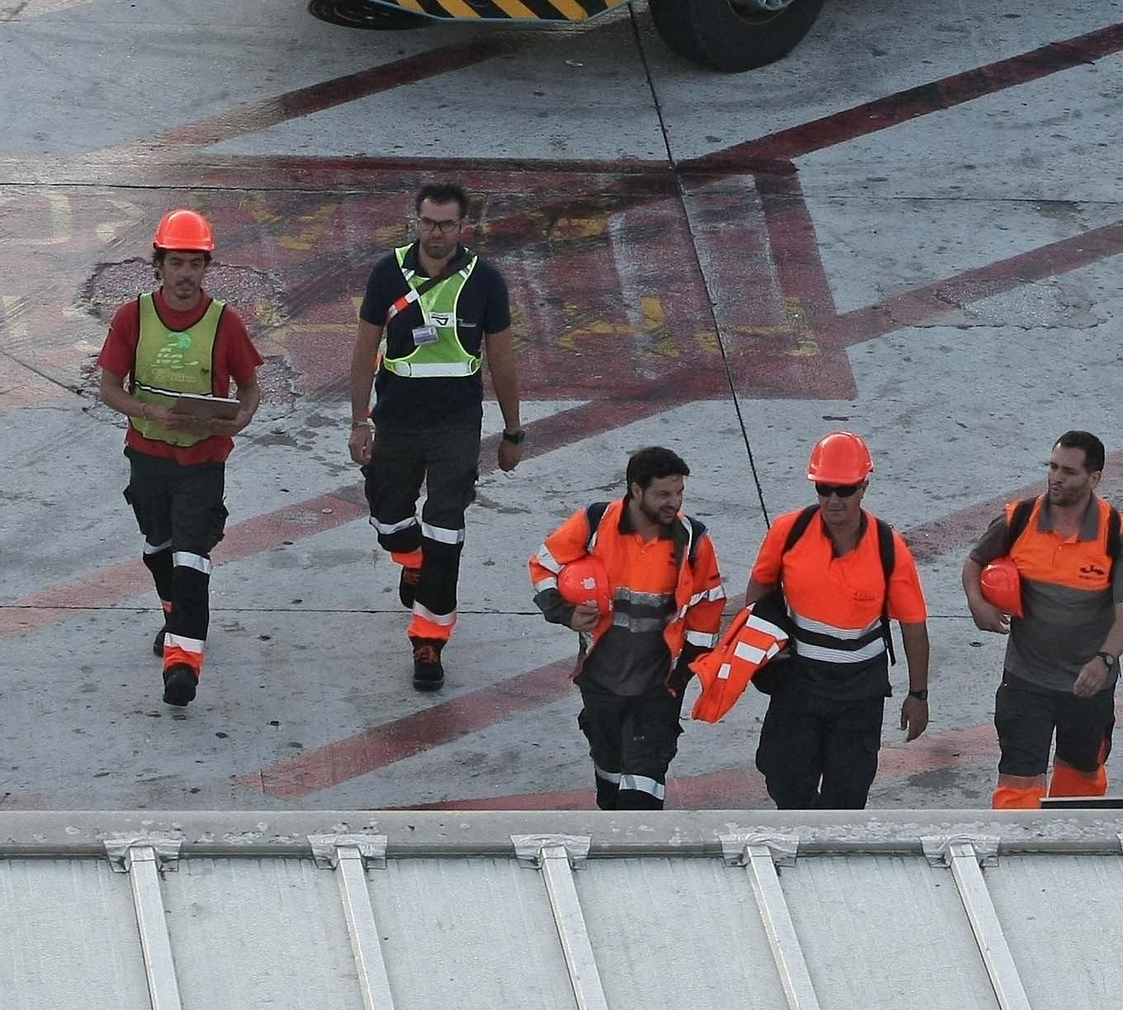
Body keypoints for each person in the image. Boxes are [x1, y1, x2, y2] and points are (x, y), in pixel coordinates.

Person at [347, 179, 525, 692]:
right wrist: (360, 420)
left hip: (455, 425)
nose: (437, 233)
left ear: (462, 227)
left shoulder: (485, 281)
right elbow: (364, 351)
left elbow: (503, 360)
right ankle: (411, 559)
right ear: (416, 221)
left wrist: (513, 432)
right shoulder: (388, 273)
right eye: (428, 222)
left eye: (447, 224)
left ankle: (429, 638)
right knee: (387, 516)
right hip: (396, 420)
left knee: (446, 527)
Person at [97, 209, 262, 708]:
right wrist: (143, 409)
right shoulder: (132, 317)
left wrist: (242, 418)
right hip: (147, 455)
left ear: (206, 267)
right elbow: (108, 388)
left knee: (192, 553)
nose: (186, 274)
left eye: (195, 263)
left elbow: (250, 387)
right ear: (159, 265)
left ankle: (183, 664)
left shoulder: (225, 322)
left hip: (203, 459)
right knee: (158, 547)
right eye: (177, 262)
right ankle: (175, 611)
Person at [530, 446, 725, 808]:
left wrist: (682, 677)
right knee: (609, 771)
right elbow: (544, 566)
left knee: (642, 797)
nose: (674, 502)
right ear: (636, 490)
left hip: (657, 689)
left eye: (679, 492)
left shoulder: (693, 540)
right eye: (664, 494)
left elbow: (708, 607)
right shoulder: (595, 523)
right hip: (601, 682)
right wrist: (565, 612)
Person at [745, 433, 930, 809]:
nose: (832, 500)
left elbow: (913, 625)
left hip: (858, 694)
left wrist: (918, 694)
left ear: (864, 487)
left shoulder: (887, 547)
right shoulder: (788, 532)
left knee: (846, 797)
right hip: (798, 685)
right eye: (824, 488)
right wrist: (758, 649)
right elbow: (759, 589)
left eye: (843, 490)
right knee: (784, 780)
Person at [962, 429, 1123, 807]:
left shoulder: (1118, 533)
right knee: (1017, 784)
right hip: (1026, 681)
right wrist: (978, 603)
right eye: (1053, 467)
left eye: (1069, 472)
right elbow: (973, 562)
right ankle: (1012, 858)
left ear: (1094, 478)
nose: (1056, 478)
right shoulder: (1019, 518)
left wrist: (1104, 659)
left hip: (1089, 685)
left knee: (1082, 787)